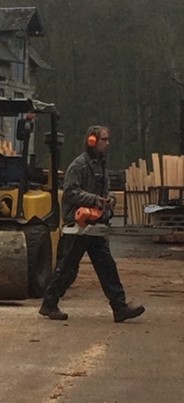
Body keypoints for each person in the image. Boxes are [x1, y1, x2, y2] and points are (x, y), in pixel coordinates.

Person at [39, 125, 145, 322]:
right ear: (92, 141)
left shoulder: (101, 165)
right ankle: (49, 303)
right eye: (103, 140)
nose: (107, 143)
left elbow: (105, 191)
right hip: (79, 224)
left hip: (93, 224)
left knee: (106, 266)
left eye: (107, 139)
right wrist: (94, 200)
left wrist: (109, 199)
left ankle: (119, 306)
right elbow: (70, 191)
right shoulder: (79, 165)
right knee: (68, 267)